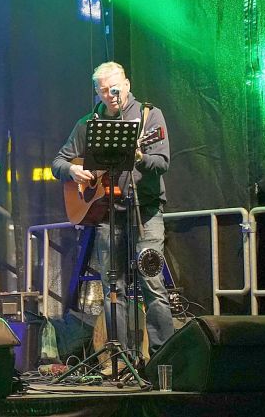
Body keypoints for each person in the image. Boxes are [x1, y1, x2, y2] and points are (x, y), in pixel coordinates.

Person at [51, 61, 174, 355]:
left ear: (127, 85)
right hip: (107, 215)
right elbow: (58, 163)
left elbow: (163, 163)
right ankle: (122, 357)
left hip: (145, 212)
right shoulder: (87, 123)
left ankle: (165, 357)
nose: (110, 95)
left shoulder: (149, 116)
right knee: (112, 288)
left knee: (152, 283)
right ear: (97, 92)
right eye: (104, 90)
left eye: (115, 88)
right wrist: (73, 170)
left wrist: (141, 157)